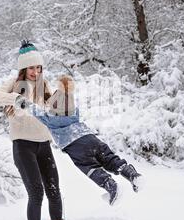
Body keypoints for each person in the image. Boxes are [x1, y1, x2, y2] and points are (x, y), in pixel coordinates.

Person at [16, 75, 143, 205]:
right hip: (90, 137)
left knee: (89, 167)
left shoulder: (51, 120)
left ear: (54, 109)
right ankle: (132, 174)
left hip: (75, 145)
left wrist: (21, 101)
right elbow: (65, 101)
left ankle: (111, 186)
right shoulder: (74, 113)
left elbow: (36, 111)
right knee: (110, 158)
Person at [0, 41, 67, 220]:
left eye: (39, 67)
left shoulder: (44, 84)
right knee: (36, 192)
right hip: (23, 145)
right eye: (32, 67)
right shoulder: (13, 83)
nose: (36, 71)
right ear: (24, 68)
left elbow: (51, 109)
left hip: (43, 144)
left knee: (54, 190)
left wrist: (61, 100)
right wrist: (14, 98)